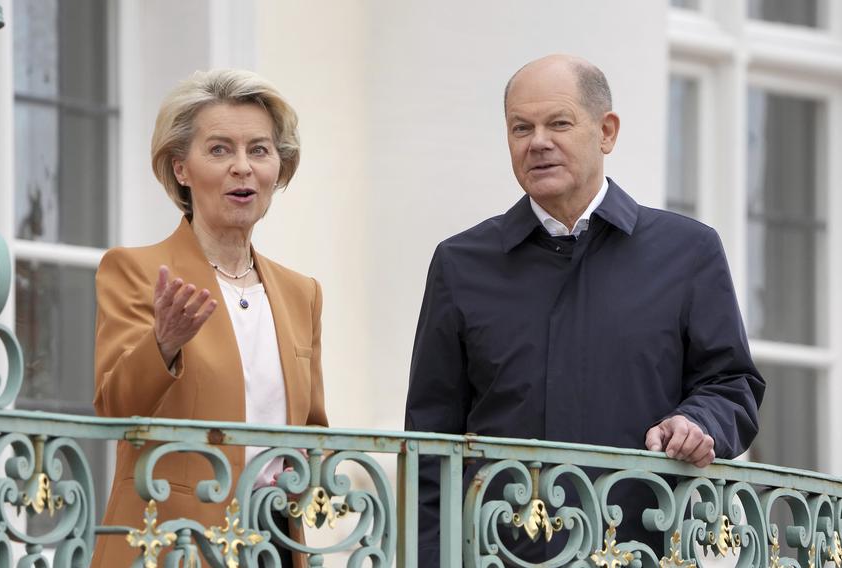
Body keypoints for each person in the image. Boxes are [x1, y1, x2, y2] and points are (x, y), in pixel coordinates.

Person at [404, 54, 765, 564]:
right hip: (497, 556)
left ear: (607, 131)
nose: (538, 142)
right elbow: (430, 440)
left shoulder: (689, 252)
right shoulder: (460, 263)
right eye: (520, 128)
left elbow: (732, 385)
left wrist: (696, 422)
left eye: (559, 123)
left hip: (642, 552)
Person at [91, 69, 327, 567]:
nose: (242, 168)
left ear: (277, 169)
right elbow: (115, 409)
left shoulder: (300, 292)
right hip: (168, 543)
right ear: (181, 169)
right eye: (219, 150)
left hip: (273, 544)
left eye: (259, 150)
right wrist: (164, 344)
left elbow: (313, 432)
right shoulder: (136, 271)